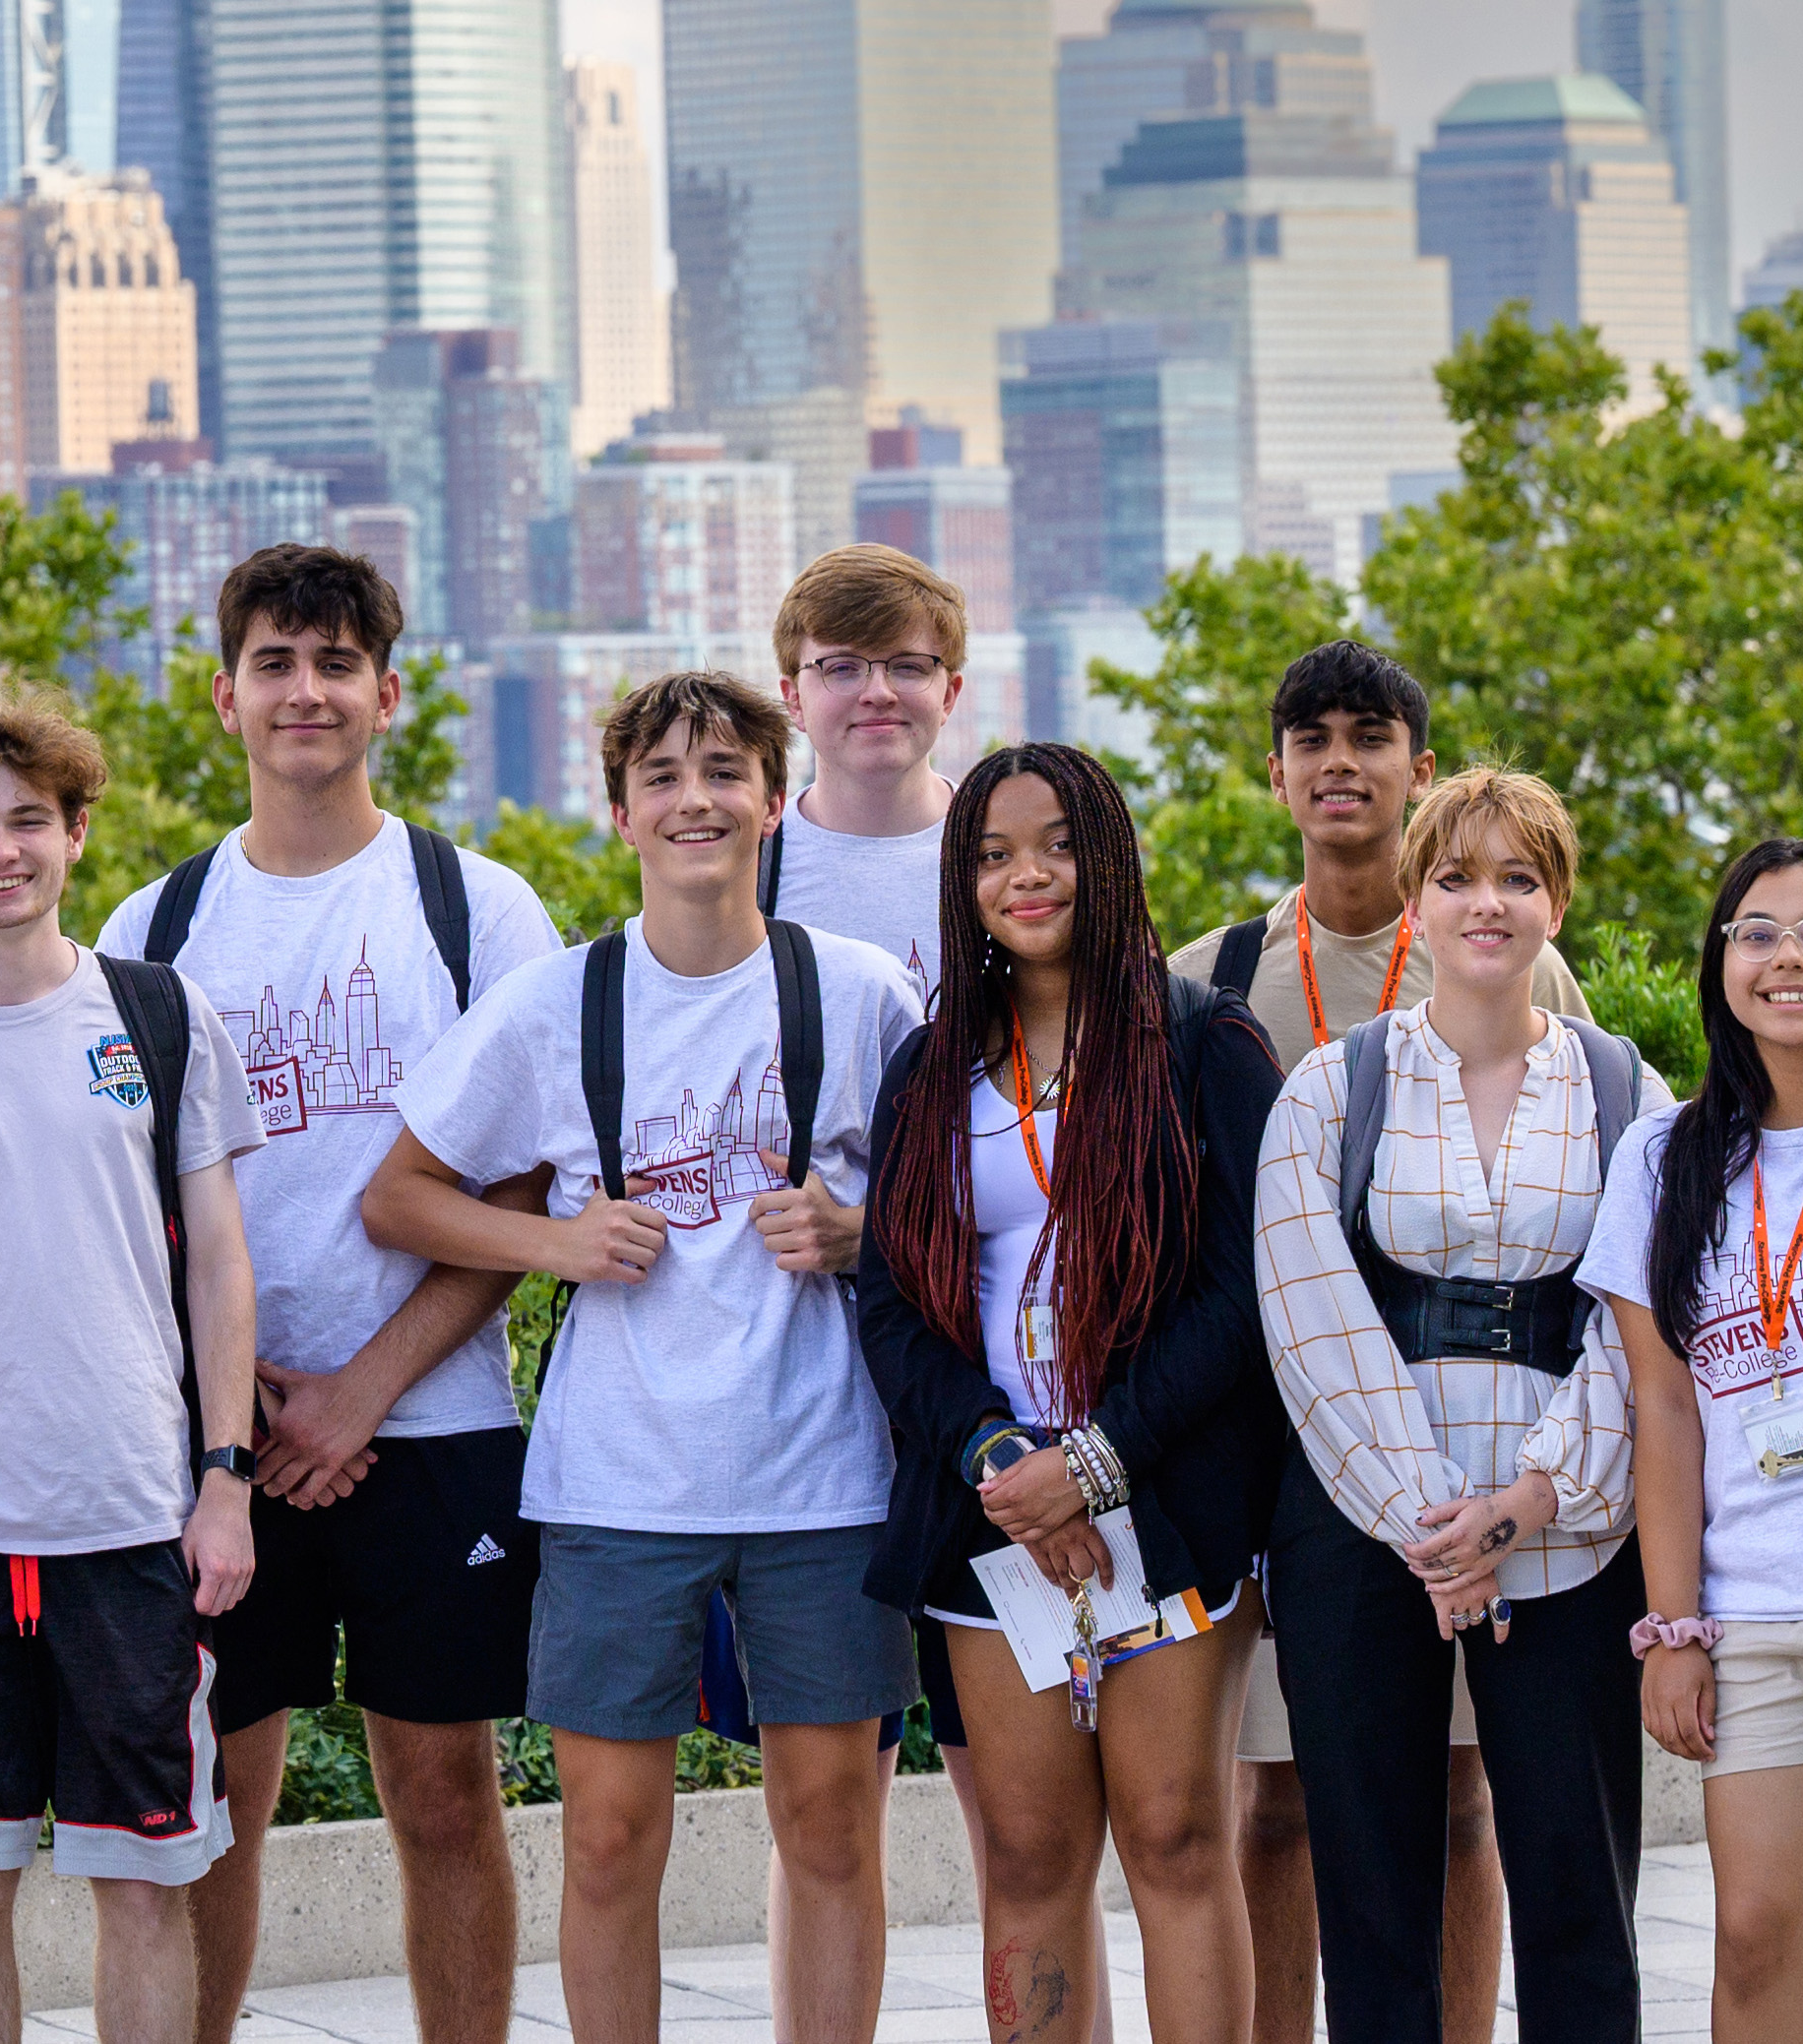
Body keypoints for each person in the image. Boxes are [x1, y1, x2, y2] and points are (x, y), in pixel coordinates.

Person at [361, 670, 923, 2044]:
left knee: (833, 1826)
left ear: (774, 803)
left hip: (824, 1478)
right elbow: (399, 1194)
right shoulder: (559, 1003)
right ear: (619, 811)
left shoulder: (856, 994)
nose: (696, 800)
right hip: (617, 1484)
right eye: (663, 777)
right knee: (609, 1839)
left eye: (725, 772)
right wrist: (558, 1243)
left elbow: (949, 1214)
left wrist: (858, 1232)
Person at [96, 545, 562, 2044]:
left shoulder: (473, 910)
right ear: (224, 694)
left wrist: (362, 1384)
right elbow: (126, 1215)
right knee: (216, 1801)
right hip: (219, 1450)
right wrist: (251, 1409)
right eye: (276, 664)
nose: (308, 691)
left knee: (442, 1790)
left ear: (388, 693)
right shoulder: (146, 933)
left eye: (337, 663)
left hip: (431, 1426)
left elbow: (522, 1197)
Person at [1172, 641, 1589, 2044]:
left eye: (1370, 734)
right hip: (1284, 1452)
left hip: (1485, 1451)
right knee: (1288, 1797)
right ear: (1275, 770)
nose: (1338, 760)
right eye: (1310, 737)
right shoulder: (1214, 976)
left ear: (1418, 769)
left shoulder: (1535, 967)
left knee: (1465, 1788)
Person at [858, 740, 1287, 2044]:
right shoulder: (931, 1067)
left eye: (1055, 844)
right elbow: (891, 1300)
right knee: (1033, 1858)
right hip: (995, 1515)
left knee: (1171, 1835)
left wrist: (1092, 1465)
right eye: (991, 853)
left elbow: (1243, 1293)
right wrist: (1005, 1462)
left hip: (1163, 1502)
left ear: (1108, 858)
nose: (1026, 875)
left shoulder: (1204, 1043)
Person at [746, 541, 1118, 2035]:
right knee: (819, 1804)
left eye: (905, 663)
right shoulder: (747, 856)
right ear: (794, 695)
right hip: (805, 1402)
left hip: (1008, 1402)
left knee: (1023, 1823)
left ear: (953, 688)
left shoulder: (1014, 853)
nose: (875, 692)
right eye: (842, 666)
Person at [1254, 766, 1664, 2044]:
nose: (1486, 902)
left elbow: (1643, 1322)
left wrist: (1528, 1500)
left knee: (1575, 1891)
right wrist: (1436, 1522)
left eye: (1518, 877)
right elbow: (1307, 1306)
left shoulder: (1623, 1091)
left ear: (1557, 903)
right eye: (1457, 876)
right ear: (1418, 899)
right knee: (1372, 1898)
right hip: (1365, 1525)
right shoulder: (1334, 1084)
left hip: (1572, 1526)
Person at [0, 691, 264, 2044]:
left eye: (29, 820)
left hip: (134, 1519)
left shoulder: (159, 1017)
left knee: (145, 1885)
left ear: (77, 832)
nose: (2, 850)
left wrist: (226, 1480)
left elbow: (220, 1263)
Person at [1578, 839, 1803, 2044]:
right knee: (1752, 1934)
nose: (1789, 956)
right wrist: (1671, 1629)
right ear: (1719, 964)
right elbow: (1659, 1408)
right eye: (1757, 931)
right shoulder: (1663, 1160)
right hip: (1752, 1620)